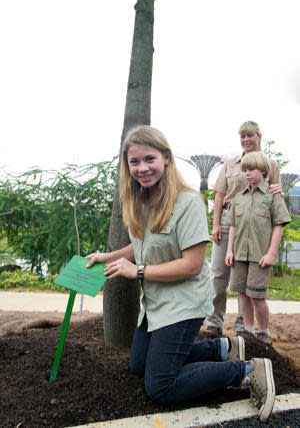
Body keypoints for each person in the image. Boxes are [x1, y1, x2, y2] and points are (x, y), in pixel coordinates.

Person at [86, 125, 276, 421]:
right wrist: (109, 256)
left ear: (166, 158)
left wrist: (137, 272)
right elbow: (143, 245)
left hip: (184, 302)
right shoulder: (140, 200)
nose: (142, 168)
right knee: (139, 365)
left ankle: (248, 371)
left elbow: (191, 265)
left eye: (149, 158)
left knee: (160, 386)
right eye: (134, 162)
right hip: (156, 300)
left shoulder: (187, 203)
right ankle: (223, 348)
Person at [204, 121, 282, 338]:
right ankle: (214, 322)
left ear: (259, 136)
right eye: (242, 136)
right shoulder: (229, 164)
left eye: (250, 135)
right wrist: (216, 223)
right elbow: (220, 194)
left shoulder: (271, 164)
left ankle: (243, 327)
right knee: (219, 273)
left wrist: (279, 190)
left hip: (257, 223)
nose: (246, 140)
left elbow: (275, 192)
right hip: (231, 217)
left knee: (246, 278)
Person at [225, 152, 291, 345]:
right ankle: (247, 331)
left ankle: (264, 333)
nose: (247, 173)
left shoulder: (273, 196)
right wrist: (230, 251)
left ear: (263, 171)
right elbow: (233, 226)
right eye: (244, 170)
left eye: (251, 169)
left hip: (259, 256)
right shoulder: (239, 198)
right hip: (239, 255)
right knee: (243, 294)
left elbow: (278, 225)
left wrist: (271, 254)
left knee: (257, 296)